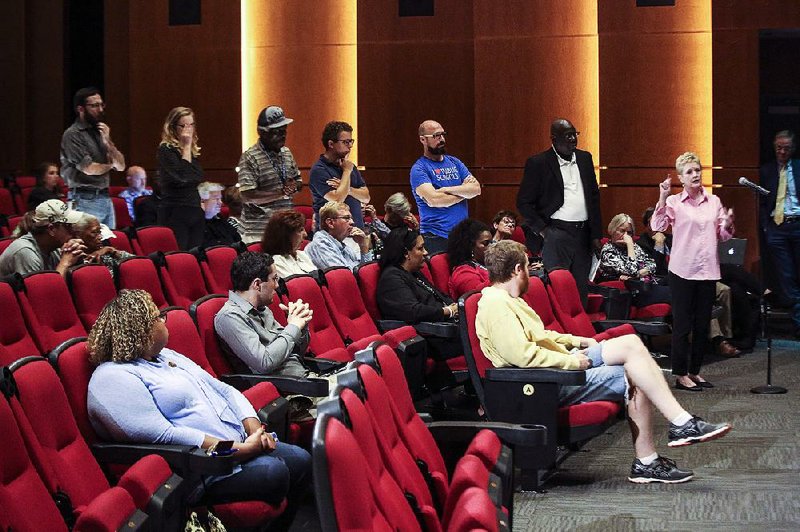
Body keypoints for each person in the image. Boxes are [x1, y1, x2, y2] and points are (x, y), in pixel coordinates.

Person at [476, 240, 732, 484]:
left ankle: (681, 423)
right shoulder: (496, 305)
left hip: (556, 365)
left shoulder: (509, 300)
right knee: (636, 373)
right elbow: (521, 356)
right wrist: (572, 363)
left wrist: (577, 341)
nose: (531, 275)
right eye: (527, 269)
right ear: (518, 269)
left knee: (630, 344)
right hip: (546, 381)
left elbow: (540, 336)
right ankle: (649, 459)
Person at [86, 290, 311, 529]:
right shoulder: (112, 377)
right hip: (200, 468)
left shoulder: (165, 356)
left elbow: (223, 389)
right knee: (275, 473)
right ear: (140, 329)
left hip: (239, 443)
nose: (164, 320)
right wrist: (239, 450)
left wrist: (254, 427)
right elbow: (165, 435)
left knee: (301, 460)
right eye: (158, 316)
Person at [651, 152, 735, 391]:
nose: (695, 175)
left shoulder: (715, 201)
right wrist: (662, 196)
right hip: (682, 270)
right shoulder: (674, 203)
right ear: (681, 178)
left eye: (697, 170)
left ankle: (695, 371)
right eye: (689, 172)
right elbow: (657, 226)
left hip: (707, 270)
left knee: (702, 325)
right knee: (682, 325)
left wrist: (728, 224)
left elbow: (724, 236)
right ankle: (679, 373)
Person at [517, 118, 602, 308]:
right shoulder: (538, 163)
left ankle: (579, 332)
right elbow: (523, 202)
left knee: (580, 287)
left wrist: (597, 235)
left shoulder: (585, 158)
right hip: (556, 233)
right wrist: (544, 230)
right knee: (557, 287)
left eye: (575, 134)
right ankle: (559, 334)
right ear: (553, 139)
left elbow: (594, 199)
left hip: (583, 234)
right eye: (567, 135)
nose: (573, 139)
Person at [214, 252, 312, 377]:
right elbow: (265, 362)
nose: (277, 286)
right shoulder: (229, 317)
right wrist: (293, 327)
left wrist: (301, 326)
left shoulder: (263, 309)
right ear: (257, 284)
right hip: (287, 390)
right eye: (274, 279)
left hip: (306, 377)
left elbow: (295, 351)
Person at [377, 227, 460, 360]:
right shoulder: (391, 278)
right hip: (428, 338)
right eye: (420, 248)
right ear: (406, 253)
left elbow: (438, 295)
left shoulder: (414, 272)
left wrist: (455, 307)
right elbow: (412, 311)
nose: (426, 253)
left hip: (444, 329)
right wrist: (447, 311)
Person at [410, 120, 481, 254]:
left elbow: (476, 189)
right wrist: (464, 193)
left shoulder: (455, 162)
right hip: (436, 236)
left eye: (443, 134)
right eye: (436, 136)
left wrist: (447, 190)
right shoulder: (419, 169)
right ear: (423, 139)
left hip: (461, 236)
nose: (441, 139)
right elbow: (434, 200)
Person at [60, 87, 125, 228]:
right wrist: (110, 165)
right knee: (86, 244)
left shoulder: (100, 131)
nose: (100, 109)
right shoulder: (73, 134)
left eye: (102, 105)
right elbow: (90, 169)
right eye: (95, 106)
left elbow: (121, 166)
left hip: (104, 196)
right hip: (83, 198)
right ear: (81, 109)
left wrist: (108, 142)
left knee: (108, 244)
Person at [237, 106, 303, 244]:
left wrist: (294, 186)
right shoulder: (250, 157)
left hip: (284, 228)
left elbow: (298, 180)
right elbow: (248, 196)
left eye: (284, 131)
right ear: (262, 132)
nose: (283, 135)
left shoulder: (286, 152)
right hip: (258, 231)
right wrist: (280, 193)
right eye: (277, 132)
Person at [759, 130, 800, 338]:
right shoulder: (766, 170)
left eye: (786, 148)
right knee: (787, 278)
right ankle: (798, 323)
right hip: (777, 228)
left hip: (797, 224)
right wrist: (767, 228)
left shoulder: (798, 168)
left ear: (792, 149)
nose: (782, 152)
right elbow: (763, 203)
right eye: (778, 148)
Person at [157, 106, 205, 251]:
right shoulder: (166, 150)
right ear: (173, 127)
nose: (188, 129)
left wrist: (188, 148)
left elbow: (197, 177)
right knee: (180, 254)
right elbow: (183, 177)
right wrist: (185, 147)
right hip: (175, 210)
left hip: (194, 208)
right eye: (183, 125)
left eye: (191, 125)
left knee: (196, 254)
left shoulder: (192, 151)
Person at [0, 199, 86, 277]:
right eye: (68, 226)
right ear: (51, 229)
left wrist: (76, 258)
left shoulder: (53, 247)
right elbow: (41, 293)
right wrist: (64, 263)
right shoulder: (25, 252)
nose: (73, 230)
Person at [309, 121, 370, 230]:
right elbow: (337, 199)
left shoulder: (350, 166)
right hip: (331, 235)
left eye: (351, 141)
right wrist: (346, 172)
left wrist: (348, 189)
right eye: (346, 142)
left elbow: (366, 197)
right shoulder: (319, 170)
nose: (350, 146)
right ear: (331, 144)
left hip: (356, 232)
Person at [305, 201, 372, 270]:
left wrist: (363, 246)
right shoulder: (320, 245)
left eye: (351, 218)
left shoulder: (342, 245)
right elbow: (345, 277)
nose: (352, 222)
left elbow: (365, 272)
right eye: (347, 218)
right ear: (330, 223)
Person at [446, 218, 492, 300]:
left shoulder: (485, 263)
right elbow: (479, 298)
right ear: (470, 246)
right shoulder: (463, 272)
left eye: (491, 243)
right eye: (486, 243)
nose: (491, 247)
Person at [261, 210, 316, 277]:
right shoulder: (276, 263)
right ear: (285, 236)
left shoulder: (302, 254)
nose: (305, 234)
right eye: (300, 230)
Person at [199, 181, 241, 248]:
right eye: (216, 199)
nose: (220, 202)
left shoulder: (219, 217)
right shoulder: (196, 222)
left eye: (220, 198)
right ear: (202, 201)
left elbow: (237, 239)